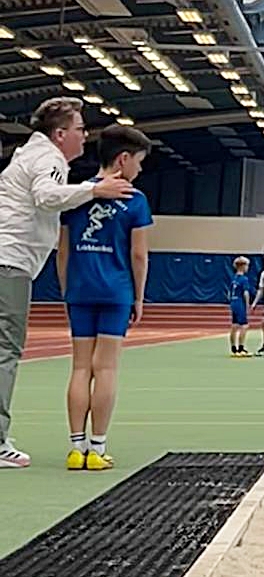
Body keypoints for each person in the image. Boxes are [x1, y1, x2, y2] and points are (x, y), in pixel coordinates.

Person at [0, 97, 134, 469]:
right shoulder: (49, 159)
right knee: (5, 350)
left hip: (9, 260)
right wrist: (95, 191)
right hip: (9, 262)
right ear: (60, 134)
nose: (84, 135)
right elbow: (46, 197)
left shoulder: (27, 155)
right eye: (79, 129)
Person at [56, 124, 153, 471]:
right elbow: (139, 255)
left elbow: (63, 252)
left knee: (81, 366)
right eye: (138, 162)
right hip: (115, 291)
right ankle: (97, 447)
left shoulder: (76, 196)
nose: (139, 170)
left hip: (80, 290)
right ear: (123, 159)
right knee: (106, 367)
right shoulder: (134, 200)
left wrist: (67, 290)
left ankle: (75, 448)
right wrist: (139, 297)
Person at [228, 256, 252, 357]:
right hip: (240, 302)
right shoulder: (244, 279)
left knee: (234, 325)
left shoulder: (234, 278)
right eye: (247, 266)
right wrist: (247, 305)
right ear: (242, 266)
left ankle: (233, 348)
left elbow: (229, 293)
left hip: (233, 301)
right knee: (244, 325)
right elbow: (246, 293)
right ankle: (241, 348)